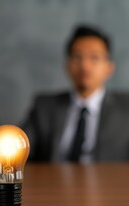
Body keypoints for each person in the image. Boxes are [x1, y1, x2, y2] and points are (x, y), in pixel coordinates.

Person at [23, 25, 129, 163]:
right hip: (53, 182)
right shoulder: (45, 107)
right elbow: (19, 149)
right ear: (67, 66)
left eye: (94, 58)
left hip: (109, 183)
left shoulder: (126, 108)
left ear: (109, 68)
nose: (85, 66)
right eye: (77, 57)